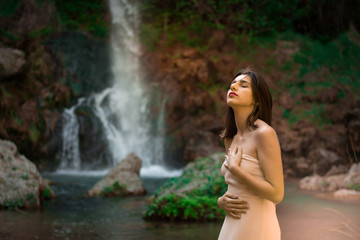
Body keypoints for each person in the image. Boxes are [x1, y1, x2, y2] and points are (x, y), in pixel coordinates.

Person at [217, 68, 284, 240]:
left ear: (257, 99)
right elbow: (236, 187)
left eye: (243, 85)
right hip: (231, 224)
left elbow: (277, 194)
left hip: (257, 226)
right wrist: (221, 201)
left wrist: (235, 169)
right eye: (232, 84)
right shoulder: (229, 138)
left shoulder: (264, 134)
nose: (234, 87)